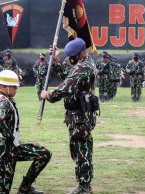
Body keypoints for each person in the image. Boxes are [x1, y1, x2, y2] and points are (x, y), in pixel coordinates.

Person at [41, 38, 99, 194]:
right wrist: (56, 61)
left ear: (79, 54)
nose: (70, 59)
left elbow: (66, 87)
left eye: (72, 56)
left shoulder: (83, 67)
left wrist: (48, 95)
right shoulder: (85, 63)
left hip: (80, 116)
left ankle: (84, 187)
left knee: (82, 151)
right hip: (79, 114)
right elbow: (69, 76)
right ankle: (84, 185)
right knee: (80, 150)